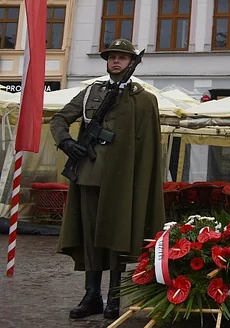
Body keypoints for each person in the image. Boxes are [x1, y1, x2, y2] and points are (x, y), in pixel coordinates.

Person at [51, 39, 164, 320]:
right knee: (91, 237)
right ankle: (92, 296)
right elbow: (59, 119)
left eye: (122, 58)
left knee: (117, 237)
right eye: (112, 57)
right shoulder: (91, 92)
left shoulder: (144, 99)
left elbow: (147, 148)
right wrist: (66, 143)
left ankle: (114, 298)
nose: (116, 61)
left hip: (123, 180)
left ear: (130, 62)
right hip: (89, 174)